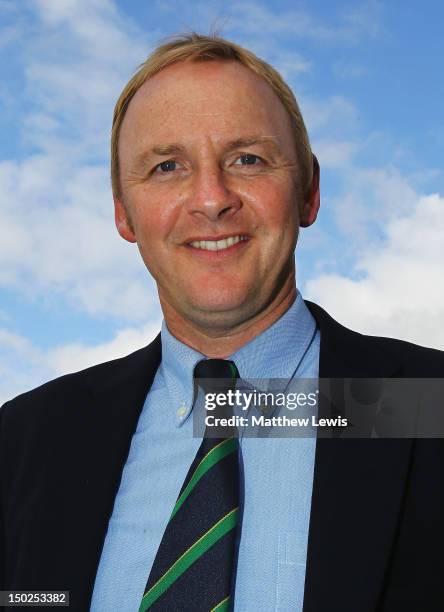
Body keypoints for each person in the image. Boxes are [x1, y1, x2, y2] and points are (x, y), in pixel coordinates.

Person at [1, 33, 443, 612]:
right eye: (166, 166)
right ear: (123, 212)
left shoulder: (425, 404)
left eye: (247, 159)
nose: (210, 199)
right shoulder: (23, 441)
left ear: (308, 190)